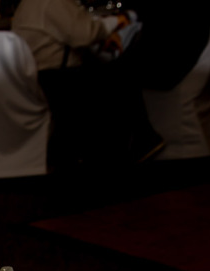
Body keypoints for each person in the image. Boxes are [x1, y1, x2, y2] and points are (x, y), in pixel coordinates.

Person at [11, 0, 162, 168]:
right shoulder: (52, 2)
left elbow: (73, 32)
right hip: (57, 77)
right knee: (121, 73)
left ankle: (139, 140)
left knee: (113, 73)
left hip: (38, 75)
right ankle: (138, 141)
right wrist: (114, 24)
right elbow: (85, 33)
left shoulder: (29, 3)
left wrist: (104, 36)